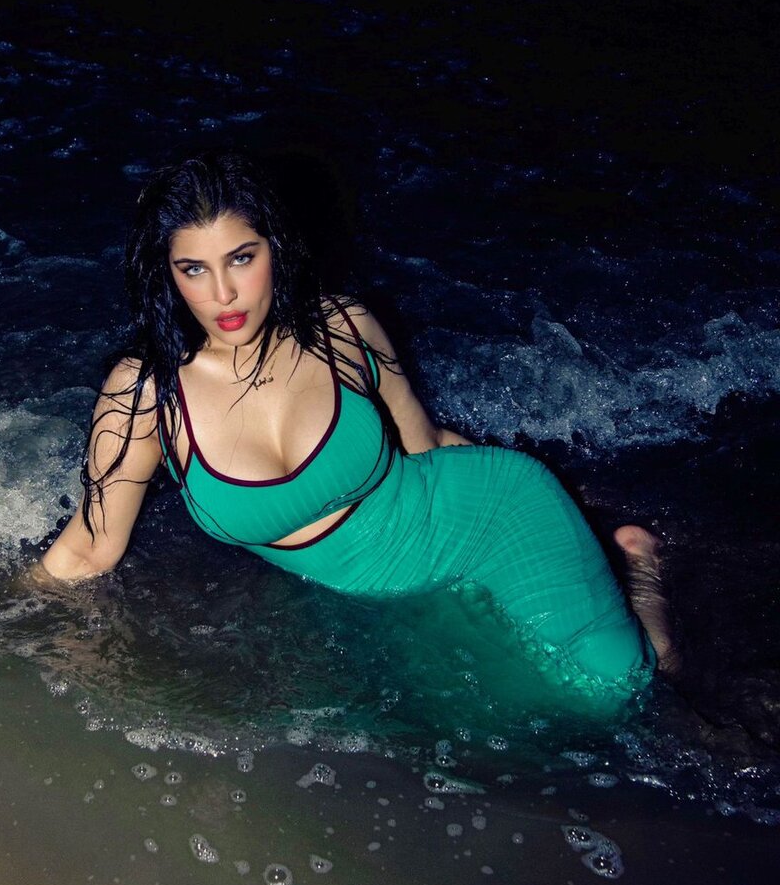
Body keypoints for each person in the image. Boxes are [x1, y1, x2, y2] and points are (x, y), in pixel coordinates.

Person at [39, 151, 679, 700]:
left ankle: (641, 573)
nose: (224, 293)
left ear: (274, 249)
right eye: (195, 269)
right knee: (529, 727)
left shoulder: (341, 327)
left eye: (242, 258)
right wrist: (9, 630)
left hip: (496, 515)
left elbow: (424, 444)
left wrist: (560, 494)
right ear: (168, 273)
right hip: (388, 587)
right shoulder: (147, 393)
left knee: (620, 690)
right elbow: (91, 547)